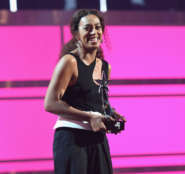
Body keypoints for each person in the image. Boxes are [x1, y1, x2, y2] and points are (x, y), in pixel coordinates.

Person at [44, 9, 125, 174]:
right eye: (87, 28)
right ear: (76, 34)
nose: (94, 32)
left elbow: (98, 102)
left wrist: (112, 115)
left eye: (97, 27)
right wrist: (89, 116)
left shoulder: (104, 67)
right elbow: (50, 103)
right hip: (71, 139)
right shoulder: (69, 62)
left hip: (97, 139)